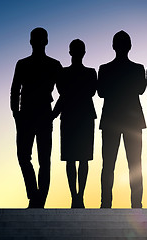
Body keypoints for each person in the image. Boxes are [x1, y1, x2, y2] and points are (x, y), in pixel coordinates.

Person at [10, 27, 62, 208]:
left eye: (40, 39)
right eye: (36, 39)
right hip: (28, 116)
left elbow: (64, 92)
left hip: (40, 115)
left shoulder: (54, 65)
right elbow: (15, 91)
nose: (38, 42)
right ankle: (34, 195)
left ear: (44, 41)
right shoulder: (23, 64)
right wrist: (16, 114)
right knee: (26, 157)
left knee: (42, 159)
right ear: (31, 42)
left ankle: (38, 199)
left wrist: (53, 114)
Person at [98, 30, 146, 208]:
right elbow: (141, 89)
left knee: (108, 164)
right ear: (130, 47)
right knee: (135, 163)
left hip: (111, 118)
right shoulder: (138, 68)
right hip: (132, 120)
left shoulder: (104, 69)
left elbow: (101, 92)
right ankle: (136, 203)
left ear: (113, 46)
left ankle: (105, 203)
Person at [52, 39, 97, 208]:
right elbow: (68, 94)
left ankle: (77, 197)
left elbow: (64, 95)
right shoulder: (89, 73)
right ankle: (77, 197)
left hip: (74, 117)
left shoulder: (65, 74)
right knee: (77, 159)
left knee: (76, 159)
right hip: (80, 117)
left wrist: (52, 115)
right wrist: (53, 115)